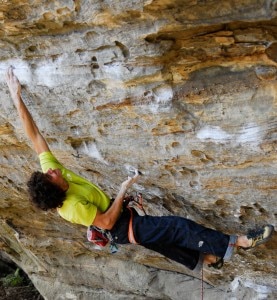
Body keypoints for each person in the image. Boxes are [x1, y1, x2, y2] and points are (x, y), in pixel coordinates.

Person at [5, 66, 274, 271]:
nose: (54, 171)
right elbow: (108, 221)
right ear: (56, 192)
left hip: (125, 224)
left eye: (50, 171)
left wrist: (16, 98)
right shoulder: (71, 207)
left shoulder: (55, 176)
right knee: (177, 227)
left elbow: (36, 138)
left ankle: (208, 259)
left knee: (164, 242)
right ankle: (239, 242)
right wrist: (123, 190)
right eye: (51, 176)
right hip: (122, 226)